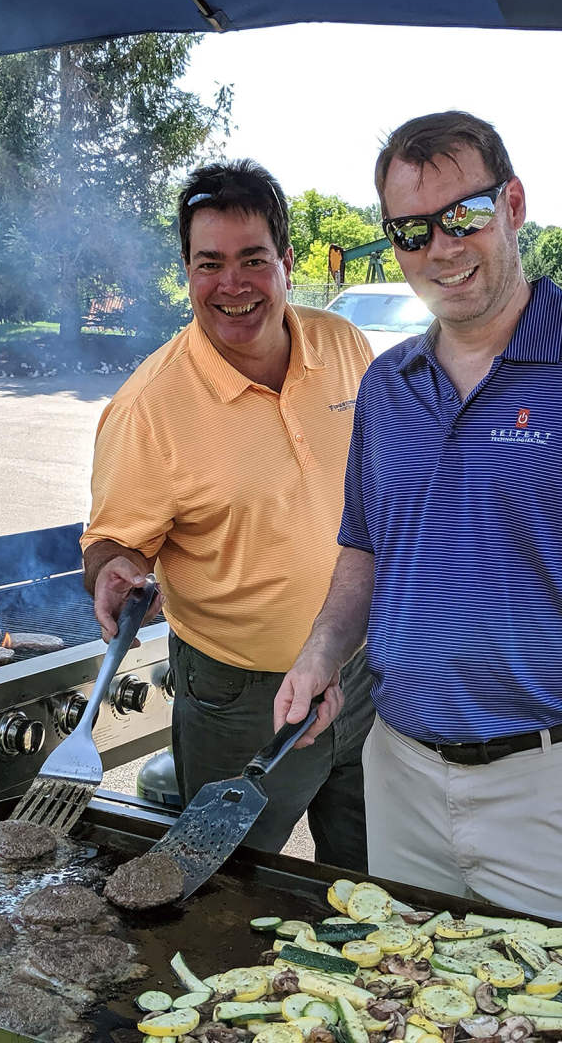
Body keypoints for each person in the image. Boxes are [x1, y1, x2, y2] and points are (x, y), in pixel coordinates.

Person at [274, 112, 562, 940]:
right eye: (411, 232)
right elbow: (366, 550)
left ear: (513, 205)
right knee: (414, 1009)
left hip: (553, 788)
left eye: (463, 215)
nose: (441, 249)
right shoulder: (389, 387)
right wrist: (320, 654)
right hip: (400, 770)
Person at [82, 159, 375, 869]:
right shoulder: (150, 405)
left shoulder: (342, 345)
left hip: (363, 672)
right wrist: (116, 571)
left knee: (374, 870)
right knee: (225, 881)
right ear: (186, 269)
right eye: (209, 263)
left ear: (288, 263)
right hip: (241, 698)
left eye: (254, 260)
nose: (232, 285)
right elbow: (116, 540)